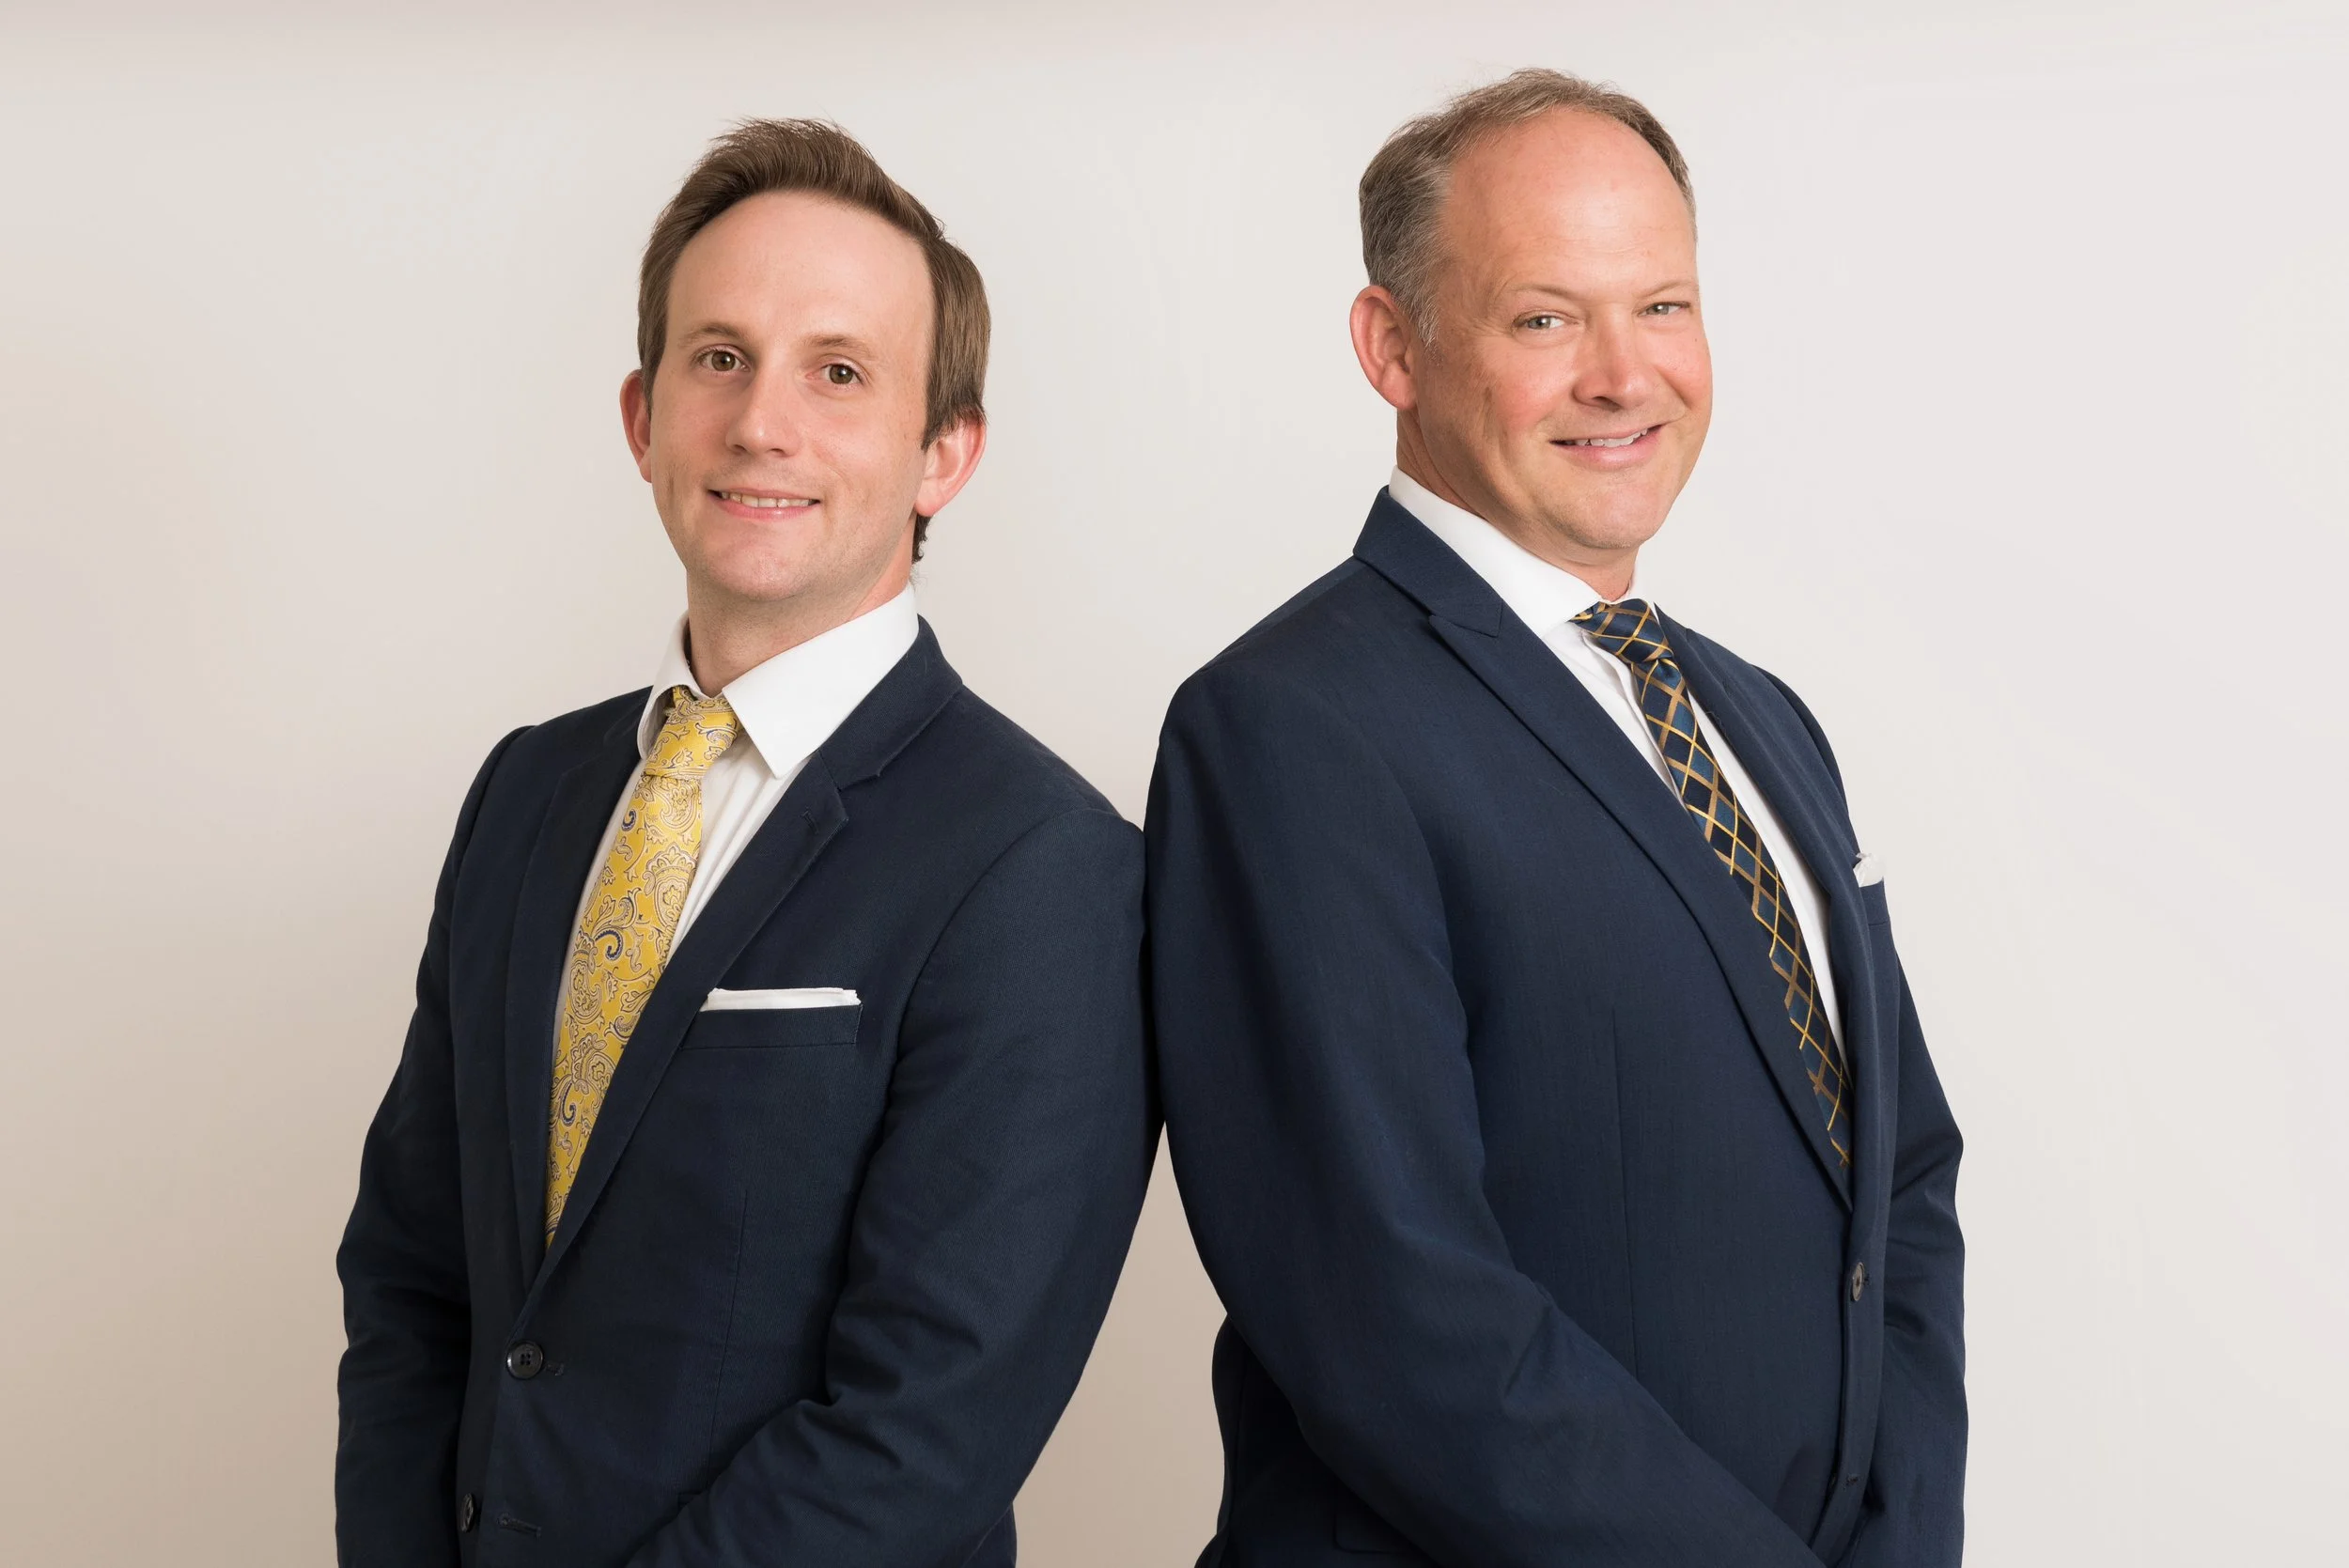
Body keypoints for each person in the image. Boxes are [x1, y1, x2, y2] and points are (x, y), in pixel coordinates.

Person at [1148, 70, 1965, 1566]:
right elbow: (1391, 1305)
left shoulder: (1760, 720)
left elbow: (1897, 1179)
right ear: (1393, 346)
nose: (1624, 374)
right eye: (1545, 318)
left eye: (1662, 306)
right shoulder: (1290, 727)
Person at [335, 119, 1152, 1567]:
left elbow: (925, 1425)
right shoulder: (528, 794)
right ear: (644, 417)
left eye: (839, 373)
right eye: (720, 358)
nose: (763, 423)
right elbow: (416, 1281)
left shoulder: (1043, 866)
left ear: (942, 453)